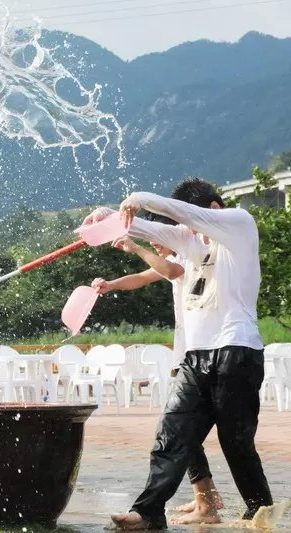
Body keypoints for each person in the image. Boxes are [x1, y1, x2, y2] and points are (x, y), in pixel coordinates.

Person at [86, 177, 272, 530]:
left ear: (213, 210)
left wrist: (141, 196)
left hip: (237, 351)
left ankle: (259, 510)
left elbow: (181, 213)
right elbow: (149, 227)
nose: (189, 231)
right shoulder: (189, 239)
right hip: (195, 357)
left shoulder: (238, 225)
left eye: (195, 222)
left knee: (236, 443)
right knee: (171, 433)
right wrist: (109, 217)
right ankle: (148, 512)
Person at [91, 225, 224, 525]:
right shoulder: (178, 257)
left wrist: (136, 247)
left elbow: (170, 270)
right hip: (190, 357)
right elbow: (141, 277)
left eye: (157, 241)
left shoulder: (188, 259)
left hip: (202, 357)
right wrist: (110, 285)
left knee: (177, 432)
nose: (155, 246)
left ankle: (206, 504)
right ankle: (207, 497)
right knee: (182, 433)